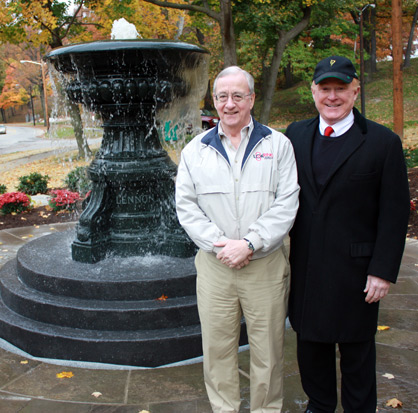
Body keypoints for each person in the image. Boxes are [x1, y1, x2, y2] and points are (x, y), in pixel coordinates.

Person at [286, 55, 410, 412]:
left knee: (356, 355)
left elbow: (394, 211)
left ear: (356, 91)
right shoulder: (294, 135)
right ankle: (319, 406)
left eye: (341, 89)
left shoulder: (382, 143)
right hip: (306, 268)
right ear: (314, 92)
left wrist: (383, 270)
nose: (333, 96)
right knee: (311, 349)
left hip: (357, 274)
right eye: (325, 88)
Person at [175, 66, 299, 413]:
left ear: (251, 99)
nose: (229, 104)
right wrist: (221, 244)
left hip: (265, 265)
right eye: (222, 96)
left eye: (237, 96)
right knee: (218, 349)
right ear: (214, 101)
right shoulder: (194, 151)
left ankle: (266, 409)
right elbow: (186, 208)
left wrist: (249, 244)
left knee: (269, 350)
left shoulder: (278, 145)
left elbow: (287, 203)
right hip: (216, 267)